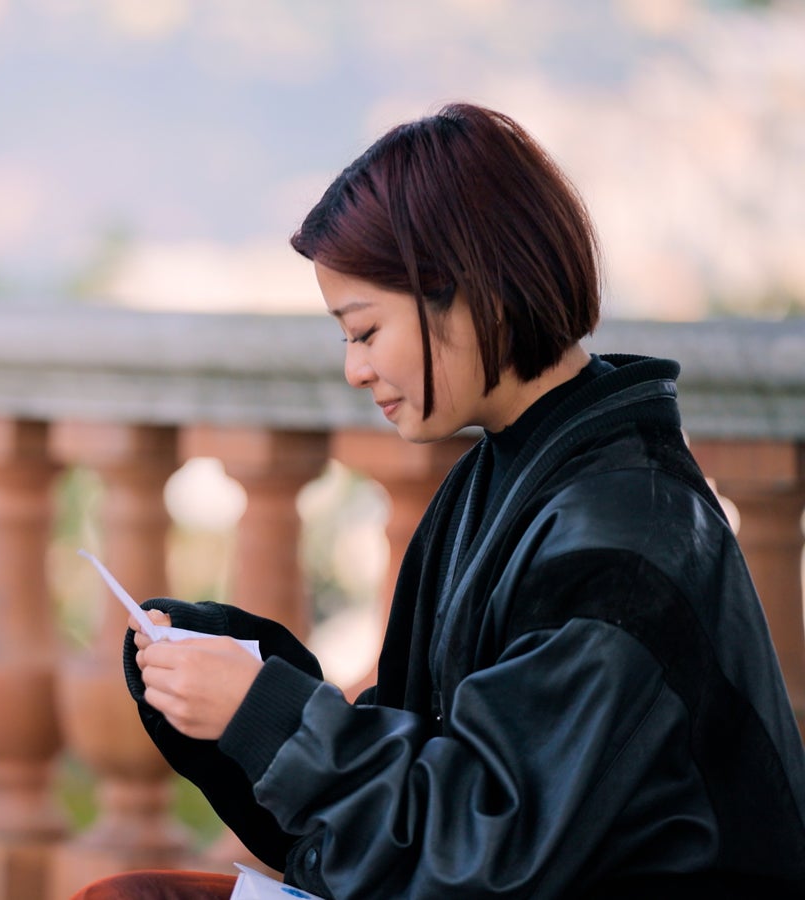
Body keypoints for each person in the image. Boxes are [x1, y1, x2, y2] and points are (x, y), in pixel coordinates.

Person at [75, 103, 805, 899]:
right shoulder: (501, 479)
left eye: (364, 330)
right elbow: (413, 781)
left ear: (475, 298)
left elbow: (482, 853)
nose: (354, 368)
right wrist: (239, 687)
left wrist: (269, 713)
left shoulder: (623, 540)